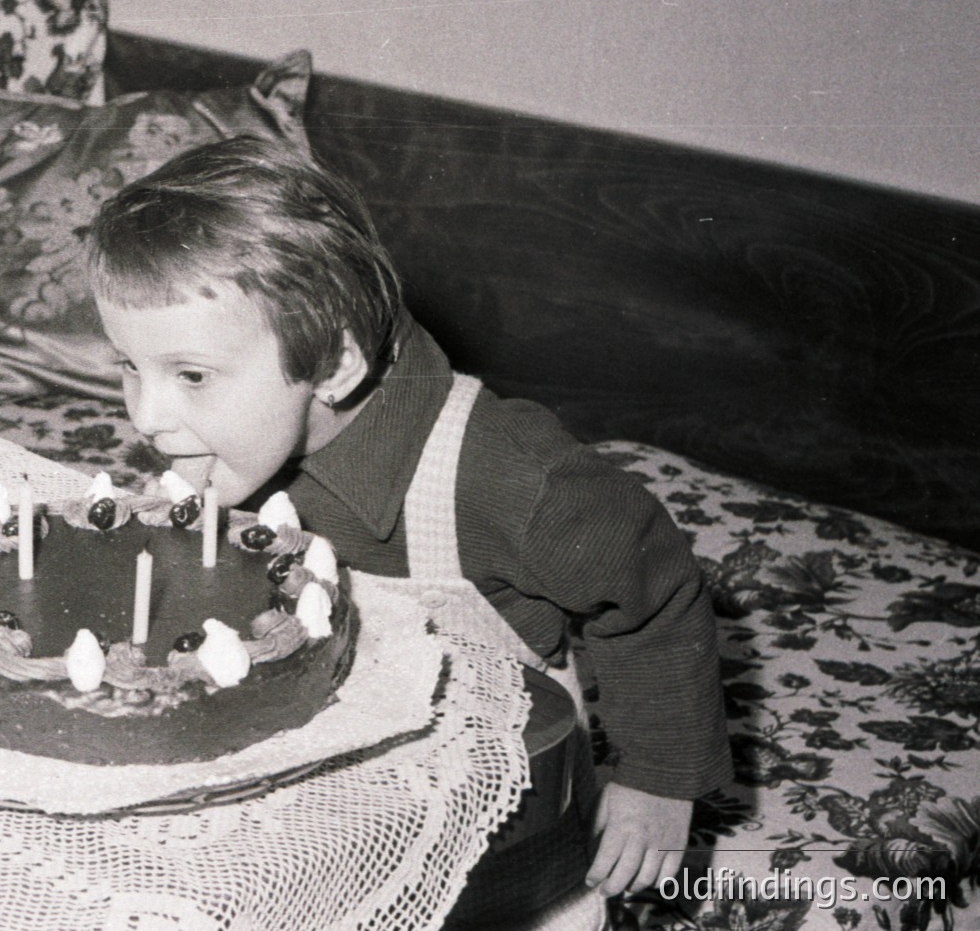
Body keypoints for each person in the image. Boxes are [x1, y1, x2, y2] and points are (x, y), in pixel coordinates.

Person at [85, 135, 732, 908]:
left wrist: (660, 777)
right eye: (129, 365)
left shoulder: (512, 477)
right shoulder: (224, 449)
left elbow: (654, 594)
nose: (147, 417)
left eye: (190, 375)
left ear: (333, 368)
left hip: (500, 822)